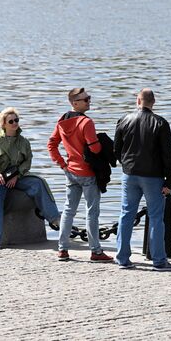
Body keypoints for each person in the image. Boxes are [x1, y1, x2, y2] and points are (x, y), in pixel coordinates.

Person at [0, 107, 61, 249]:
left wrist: (17, 175)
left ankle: (55, 218)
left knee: (38, 183)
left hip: (18, 176)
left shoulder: (24, 141)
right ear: (4, 124)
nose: (14, 123)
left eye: (16, 120)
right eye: (10, 121)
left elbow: (28, 161)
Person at [113, 88, 171, 271]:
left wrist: (125, 164)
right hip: (153, 176)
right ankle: (158, 261)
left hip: (129, 174)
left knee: (126, 214)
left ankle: (123, 258)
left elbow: (116, 149)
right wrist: (169, 180)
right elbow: (168, 154)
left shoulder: (124, 120)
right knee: (156, 217)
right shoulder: (161, 123)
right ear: (153, 102)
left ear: (137, 101)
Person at [47, 88, 113, 262]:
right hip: (88, 173)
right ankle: (96, 251)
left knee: (69, 210)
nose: (89, 101)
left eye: (89, 98)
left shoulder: (62, 120)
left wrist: (62, 164)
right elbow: (95, 148)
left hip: (71, 172)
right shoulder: (86, 122)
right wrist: (101, 142)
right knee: (92, 212)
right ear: (74, 103)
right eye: (85, 99)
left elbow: (52, 144)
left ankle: (62, 249)